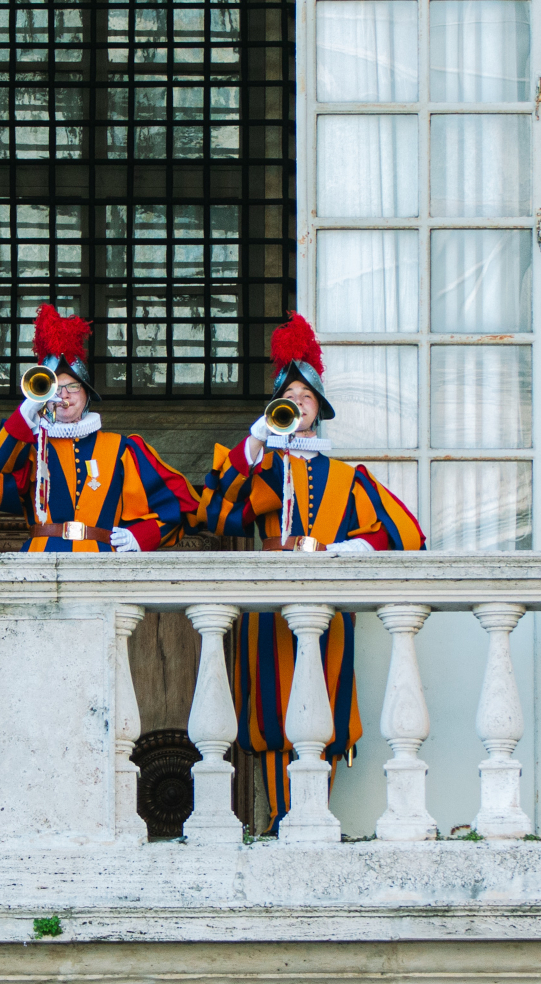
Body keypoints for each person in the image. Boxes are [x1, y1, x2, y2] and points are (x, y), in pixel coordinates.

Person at [191, 313, 426, 835]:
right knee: (272, 717)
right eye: (289, 394)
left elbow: (409, 534)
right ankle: (281, 817)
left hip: (328, 601)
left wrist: (356, 546)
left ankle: (316, 814)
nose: (298, 402)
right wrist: (255, 444)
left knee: (330, 713)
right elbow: (214, 512)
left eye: (307, 395)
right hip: (271, 604)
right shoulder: (265, 467)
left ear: (319, 409)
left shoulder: (348, 477)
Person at [0, 304, 197, 551]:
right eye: (54, 388)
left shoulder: (124, 449)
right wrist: (25, 414)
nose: (64, 395)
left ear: (86, 394)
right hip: (40, 561)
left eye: (73, 386)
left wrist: (140, 536)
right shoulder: (28, 445)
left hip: (104, 563)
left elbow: (181, 507)